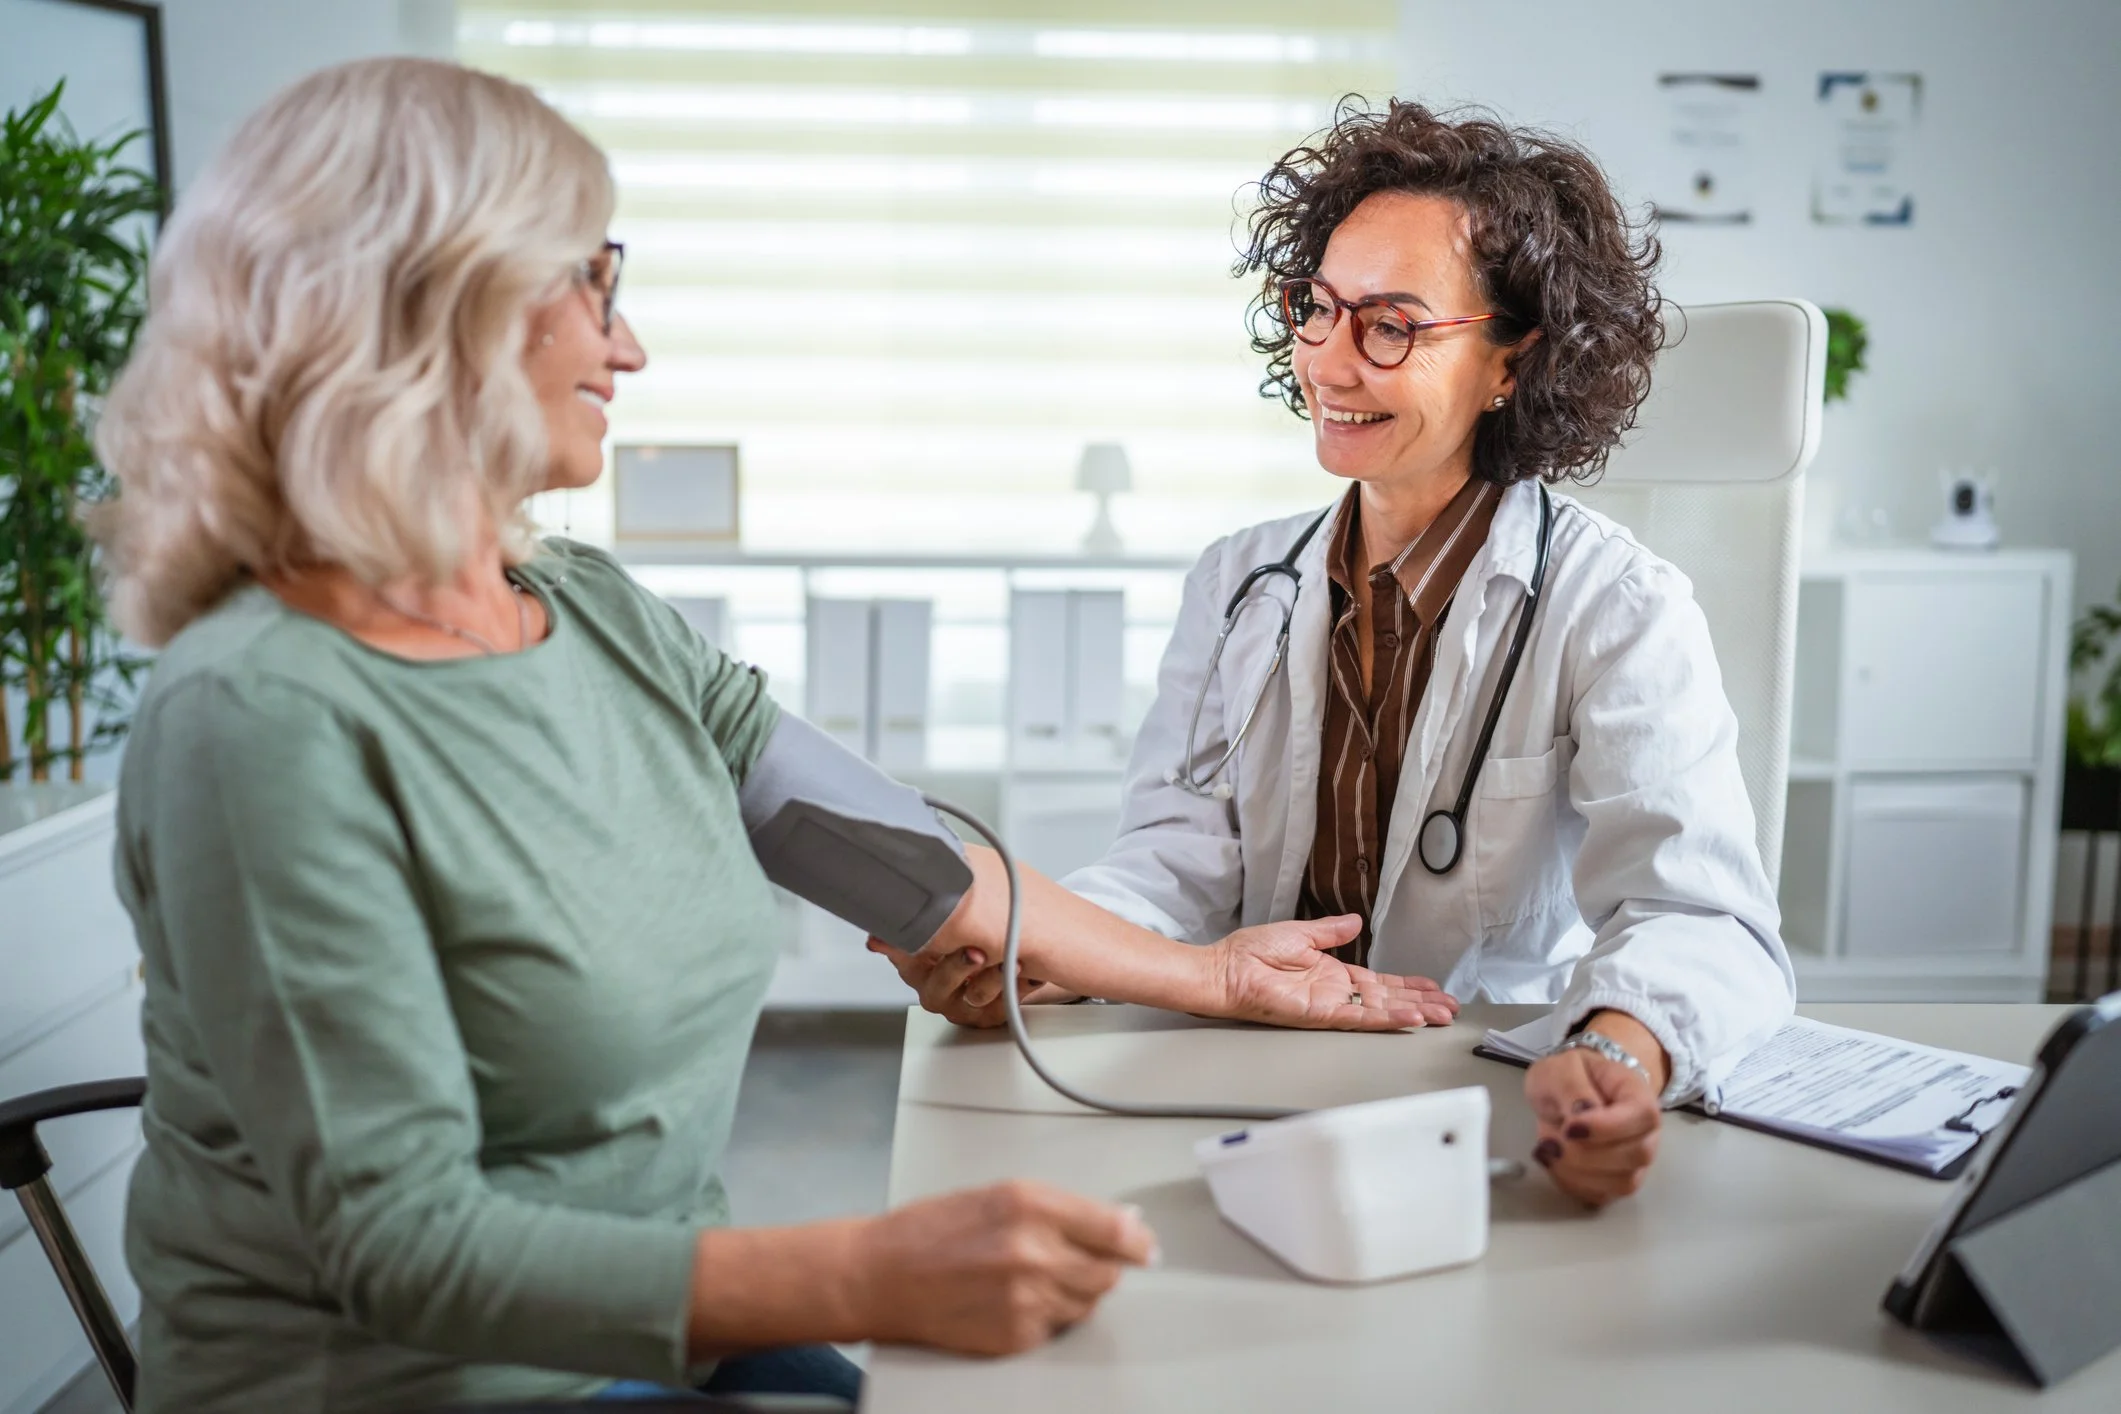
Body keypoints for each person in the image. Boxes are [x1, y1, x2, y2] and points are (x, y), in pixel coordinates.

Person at [91, 60, 1450, 1414]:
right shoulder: (261, 718)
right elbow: (407, 1250)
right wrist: (869, 1270)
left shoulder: (587, 607)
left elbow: (899, 859)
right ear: (433, 302)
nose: (627, 346)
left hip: (660, 1331)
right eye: (594, 282)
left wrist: (1211, 976)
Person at [890, 101, 1796, 1209]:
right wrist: (1046, 962)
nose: (1328, 359)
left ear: (1513, 362)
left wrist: (1616, 1053)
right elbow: (1172, 861)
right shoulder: (1238, 584)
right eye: (1314, 309)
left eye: (1391, 325)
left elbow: (1701, 916)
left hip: (1475, 1094)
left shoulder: (1618, 608)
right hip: (1238, 1087)